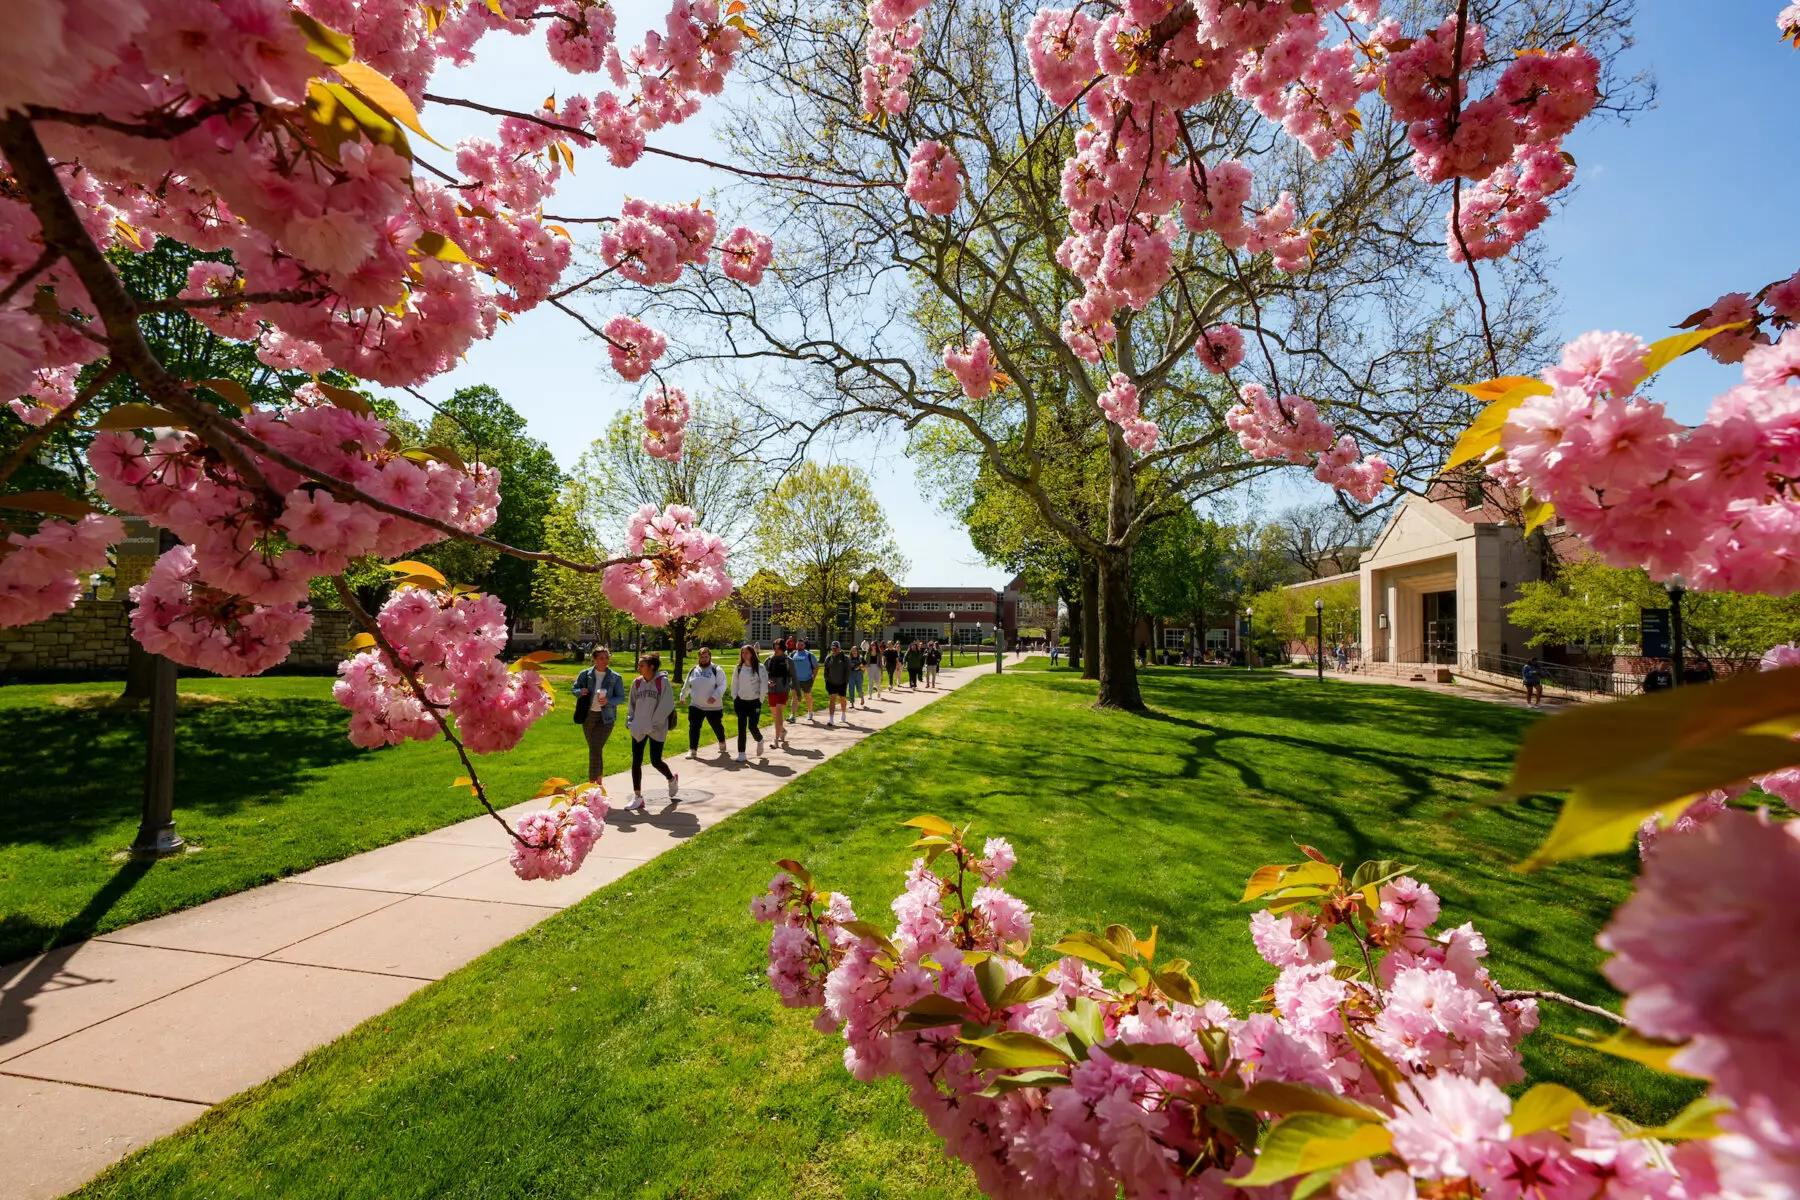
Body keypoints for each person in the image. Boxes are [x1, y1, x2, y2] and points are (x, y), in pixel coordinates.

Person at [625, 651, 678, 811]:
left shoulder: (663, 682)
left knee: (655, 761)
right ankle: (638, 797)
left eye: (642, 665)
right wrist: (630, 720)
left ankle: (671, 779)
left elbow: (666, 705)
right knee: (636, 761)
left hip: (656, 728)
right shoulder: (637, 683)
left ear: (652, 666)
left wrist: (653, 723)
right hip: (639, 728)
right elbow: (631, 704)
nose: (638, 667)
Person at [571, 646, 626, 784]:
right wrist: (580, 691)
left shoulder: (615, 677)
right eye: (601, 658)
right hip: (589, 716)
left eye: (607, 657)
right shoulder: (585, 674)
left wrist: (608, 700)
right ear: (595, 659)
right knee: (596, 749)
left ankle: (592, 784)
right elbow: (575, 688)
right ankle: (599, 782)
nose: (605, 660)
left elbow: (621, 698)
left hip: (606, 718)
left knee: (595, 748)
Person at [680, 644, 729, 760]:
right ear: (698, 657)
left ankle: (721, 740)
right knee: (694, 727)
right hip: (696, 705)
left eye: (706, 657)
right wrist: (683, 696)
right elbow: (687, 684)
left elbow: (723, 685)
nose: (704, 659)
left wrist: (715, 696)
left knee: (717, 726)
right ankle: (693, 750)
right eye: (701, 657)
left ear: (710, 657)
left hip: (713, 706)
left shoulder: (716, 669)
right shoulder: (694, 670)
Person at [731, 644, 766, 762]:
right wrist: (735, 697)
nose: (744, 655)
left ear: (752, 653)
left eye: (746, 652)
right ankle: (741, 753)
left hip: (754, 702)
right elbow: (734, 683)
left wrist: (760, 700)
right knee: (741, 727)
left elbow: (764, 685)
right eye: (742, 653)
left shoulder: (759, 667)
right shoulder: (739, 667)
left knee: (752, 726)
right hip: (741, 701)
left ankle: (760, 740)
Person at [764, 640, 794, 748]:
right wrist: (768, 682)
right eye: (775, 648)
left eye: (779, 648)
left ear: (783, 648)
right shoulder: (768, 660)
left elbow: (794, 676)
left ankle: (776, 740)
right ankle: (783, 731)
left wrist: (797, 693)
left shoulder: (788, 661)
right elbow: (763, 676)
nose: (776, 650)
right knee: (775, 715)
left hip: (783, 690)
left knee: (778, 713)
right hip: (771, 691)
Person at [822, 640, 852, 726]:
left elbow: (848, 671)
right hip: (831, 682)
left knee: (842, 699)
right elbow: (826, 670)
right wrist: (826, 679)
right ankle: (831, 719)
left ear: (839, 648)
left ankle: (843, 713)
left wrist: (845, 681)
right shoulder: (828, 658)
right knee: (832, 700)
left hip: (842, 683)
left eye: (836, 648)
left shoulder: (845, 658)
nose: (834, 650)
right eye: (833, 648)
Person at [791, 638, 819, 722]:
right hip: (795, 680)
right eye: (798, 644)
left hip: (807, 680)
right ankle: (793, 716)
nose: (799, 646)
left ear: (804, 646)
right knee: (794, 697)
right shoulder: (793, 654)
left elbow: (816, 667)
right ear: (796, 645)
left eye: (801, 644)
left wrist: (813, 678)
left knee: (808, 697)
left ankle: (810, 712)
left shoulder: (809, 655)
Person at [849, 642, 868, 708]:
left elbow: (866, 666)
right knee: (851, 689)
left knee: (859, 689)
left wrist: (860, 667)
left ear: (857, 651)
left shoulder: (861, 658)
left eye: (855, 650)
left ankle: (862, 698)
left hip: (859, 675)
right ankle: (852, 703)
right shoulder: (849, 659)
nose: (854, 652)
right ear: (851, 651)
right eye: (853, 650)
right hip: (851, 675)